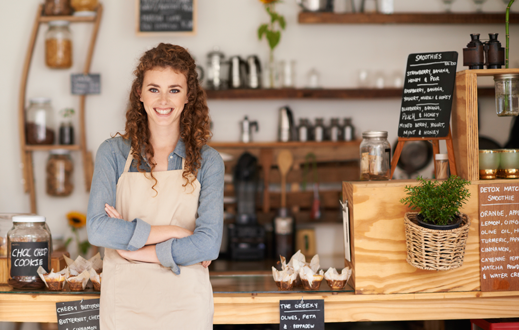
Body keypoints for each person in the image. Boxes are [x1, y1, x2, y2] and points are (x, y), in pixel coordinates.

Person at [86, 43, 224, 329]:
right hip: (125, 305)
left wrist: (135, 251)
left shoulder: (208, 162)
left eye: (174, 89)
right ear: (139, 93)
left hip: (186, 307)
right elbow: (98, 228)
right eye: (153, 89)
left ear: (189, 95)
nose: (163, 100)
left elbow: (208, 245)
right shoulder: (113, 153)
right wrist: (175, 233)